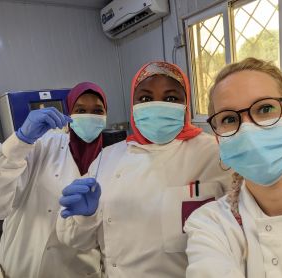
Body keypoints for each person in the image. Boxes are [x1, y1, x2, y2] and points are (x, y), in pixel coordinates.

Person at [56, 61, 232, 277]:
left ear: (187, 104)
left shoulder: (215, 154)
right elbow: (77, 242)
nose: (157, 105)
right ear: (133, 104)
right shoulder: (109, 158)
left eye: (171, 98)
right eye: (146, 98)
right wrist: (85, 217)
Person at [0, 82, 108, 278]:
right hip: (19, 268)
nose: (88, 116)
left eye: (97, 110)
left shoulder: (113, 161)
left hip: (77, 272)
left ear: (105, 116)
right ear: (69, 113)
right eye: (80, 109)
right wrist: (20, 142)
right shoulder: (41, 146)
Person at [185, 57, 282, 277]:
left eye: (264, 108)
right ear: (220, 140)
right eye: (229, 119)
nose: (247, 129)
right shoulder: (209, 226)